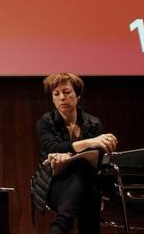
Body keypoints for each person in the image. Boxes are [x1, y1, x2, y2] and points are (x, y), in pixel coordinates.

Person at [33, 73, 118, 234]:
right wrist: (89, 142)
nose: (61, 98)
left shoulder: (93, 123)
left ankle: (59, 228)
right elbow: (53, 148)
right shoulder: (45, 122)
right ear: (52, 99)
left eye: (66, 92)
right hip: (53, 184)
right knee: (89, 190)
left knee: (85, 179)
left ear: (78, 95)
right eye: (56, 94)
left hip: (85, 183)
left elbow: (98, 161)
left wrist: (72, 154)